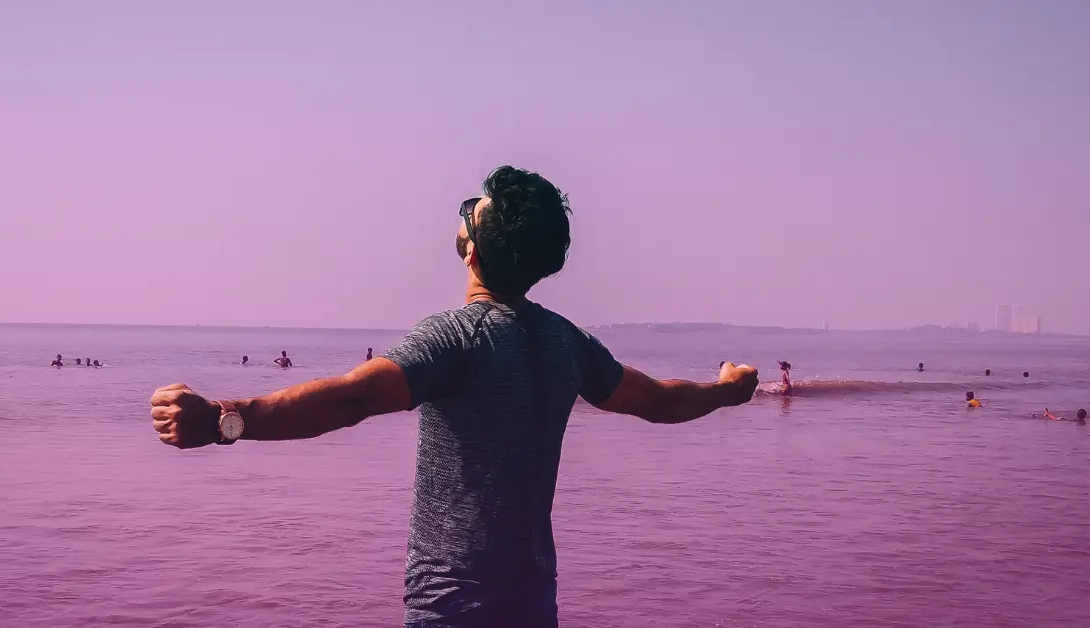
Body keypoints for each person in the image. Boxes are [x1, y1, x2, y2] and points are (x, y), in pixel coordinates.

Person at [148, 166, 760, 628]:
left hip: (453, 602)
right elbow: (660, 400)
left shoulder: (457, 336)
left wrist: (224, 421)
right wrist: (727, 390)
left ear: (470, 247)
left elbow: (350, 399)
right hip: (532, 596)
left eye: (473, 212)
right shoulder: (566, 343)